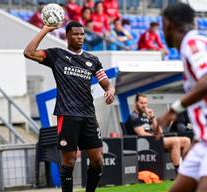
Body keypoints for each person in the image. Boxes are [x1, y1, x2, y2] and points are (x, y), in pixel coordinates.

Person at [24, 21, 115, 192]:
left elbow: (106, 84)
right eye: (75, 34)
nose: (80, 37)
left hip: (88, 116)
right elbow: (28, 52)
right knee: (69, 161)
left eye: (82, 34)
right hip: (67, 115)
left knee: (98, 160)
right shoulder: (56, 55)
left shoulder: (92, 60)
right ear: (67, 36)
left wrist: (110, 90)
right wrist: (45, 30)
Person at [154, 3, 207, 192]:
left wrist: (173, 110)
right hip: (203, 142)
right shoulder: (192, 45)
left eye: (162, 24)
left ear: (168, 24)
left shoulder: (192, 43)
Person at [125, 93, 191, 172]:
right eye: (141, 103)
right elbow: (142, 134)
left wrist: (152, 117)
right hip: (144, 142)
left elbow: (160, 131)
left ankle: (187, 168)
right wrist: (156, 136)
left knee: (186, 140)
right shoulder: (134, 116)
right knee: (176, 141)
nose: (144, 105)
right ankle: (178, 171)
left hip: (154, 139)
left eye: (145, 103)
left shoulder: (146, 116)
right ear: (136, 103)